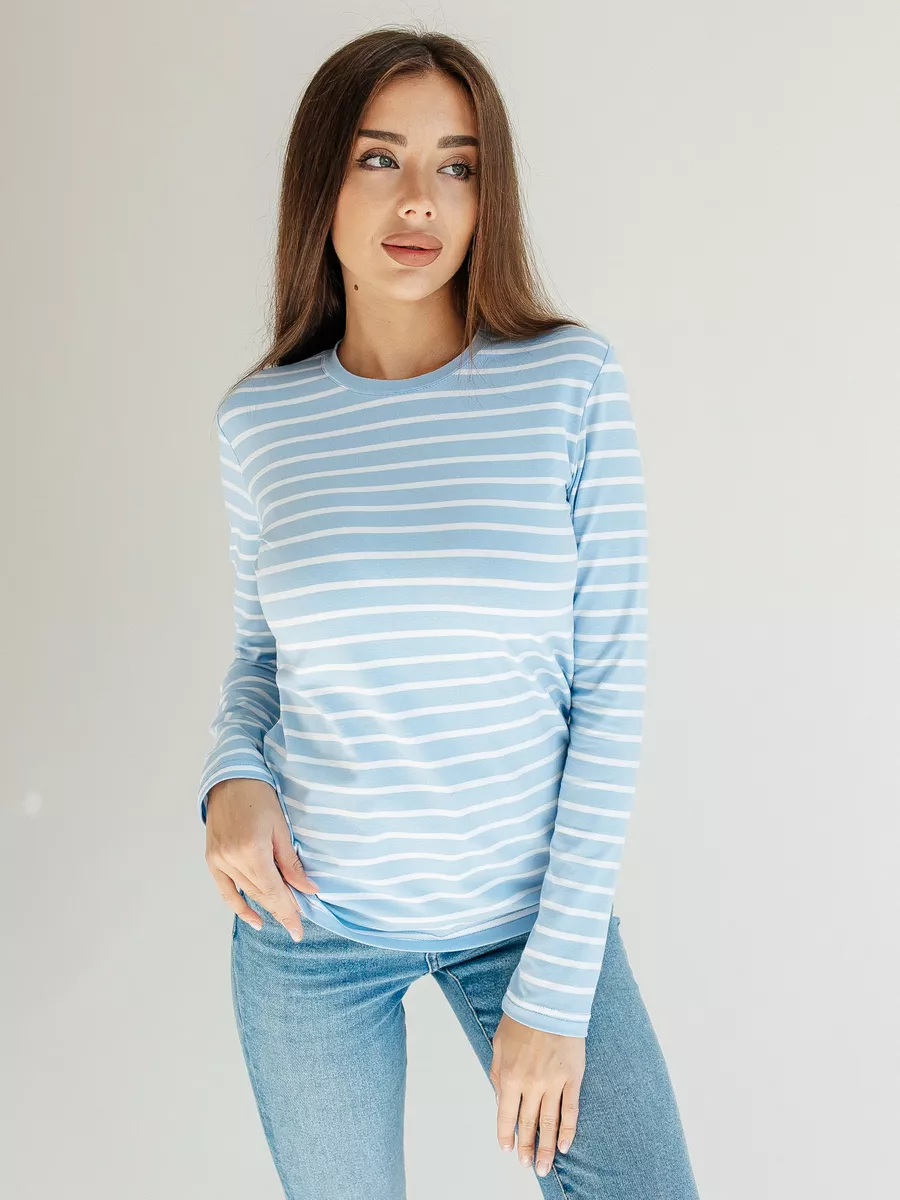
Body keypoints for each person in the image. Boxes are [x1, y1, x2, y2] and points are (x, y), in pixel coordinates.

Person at [197, 24, 700, 1200]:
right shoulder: (260, 421)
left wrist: (555, 993)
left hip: (526, 919)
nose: (418, 197)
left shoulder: (569, 381)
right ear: (320, 182)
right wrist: (230, 780)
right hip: (310, 930)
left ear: (488, 195)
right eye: (379, 157)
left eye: (457, 165)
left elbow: (609, 690)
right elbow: (263, 651)